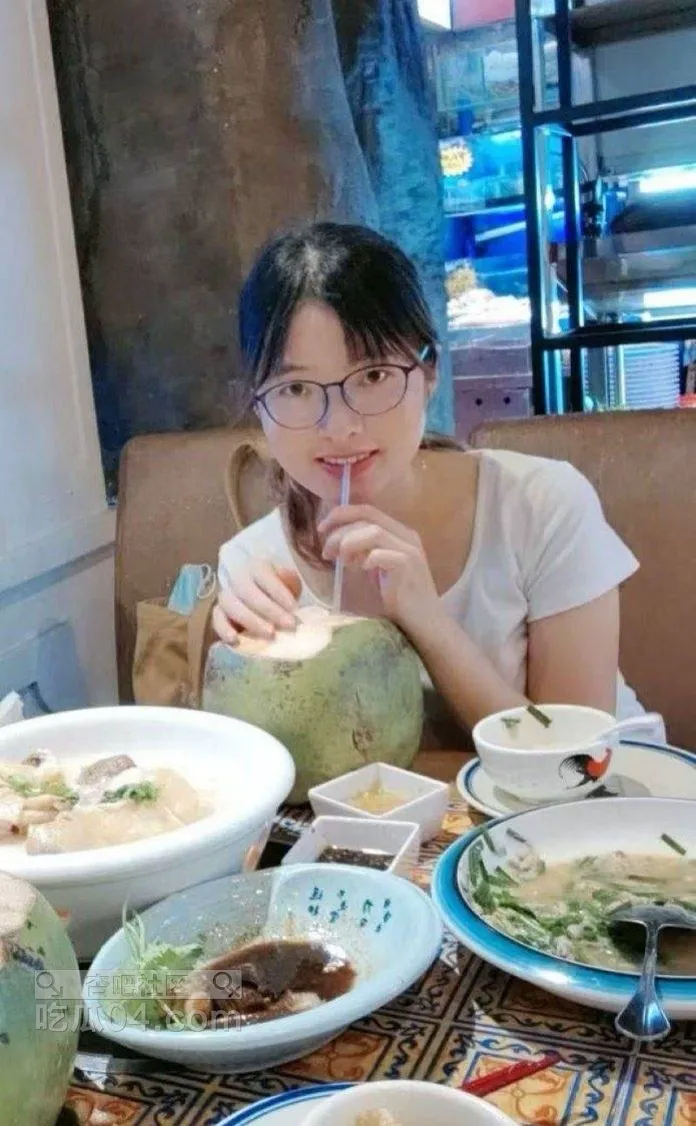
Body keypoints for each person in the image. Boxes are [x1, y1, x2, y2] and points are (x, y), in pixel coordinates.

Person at [214, 221, 661, 742]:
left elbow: (575, 760)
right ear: (257, 402)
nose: (339, 426)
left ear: (429, 373)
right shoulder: (254, 565)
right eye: (295, 389)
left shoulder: (542, 506)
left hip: (608, 788)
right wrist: (237, 661)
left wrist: (427, 620)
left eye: (373, 376)